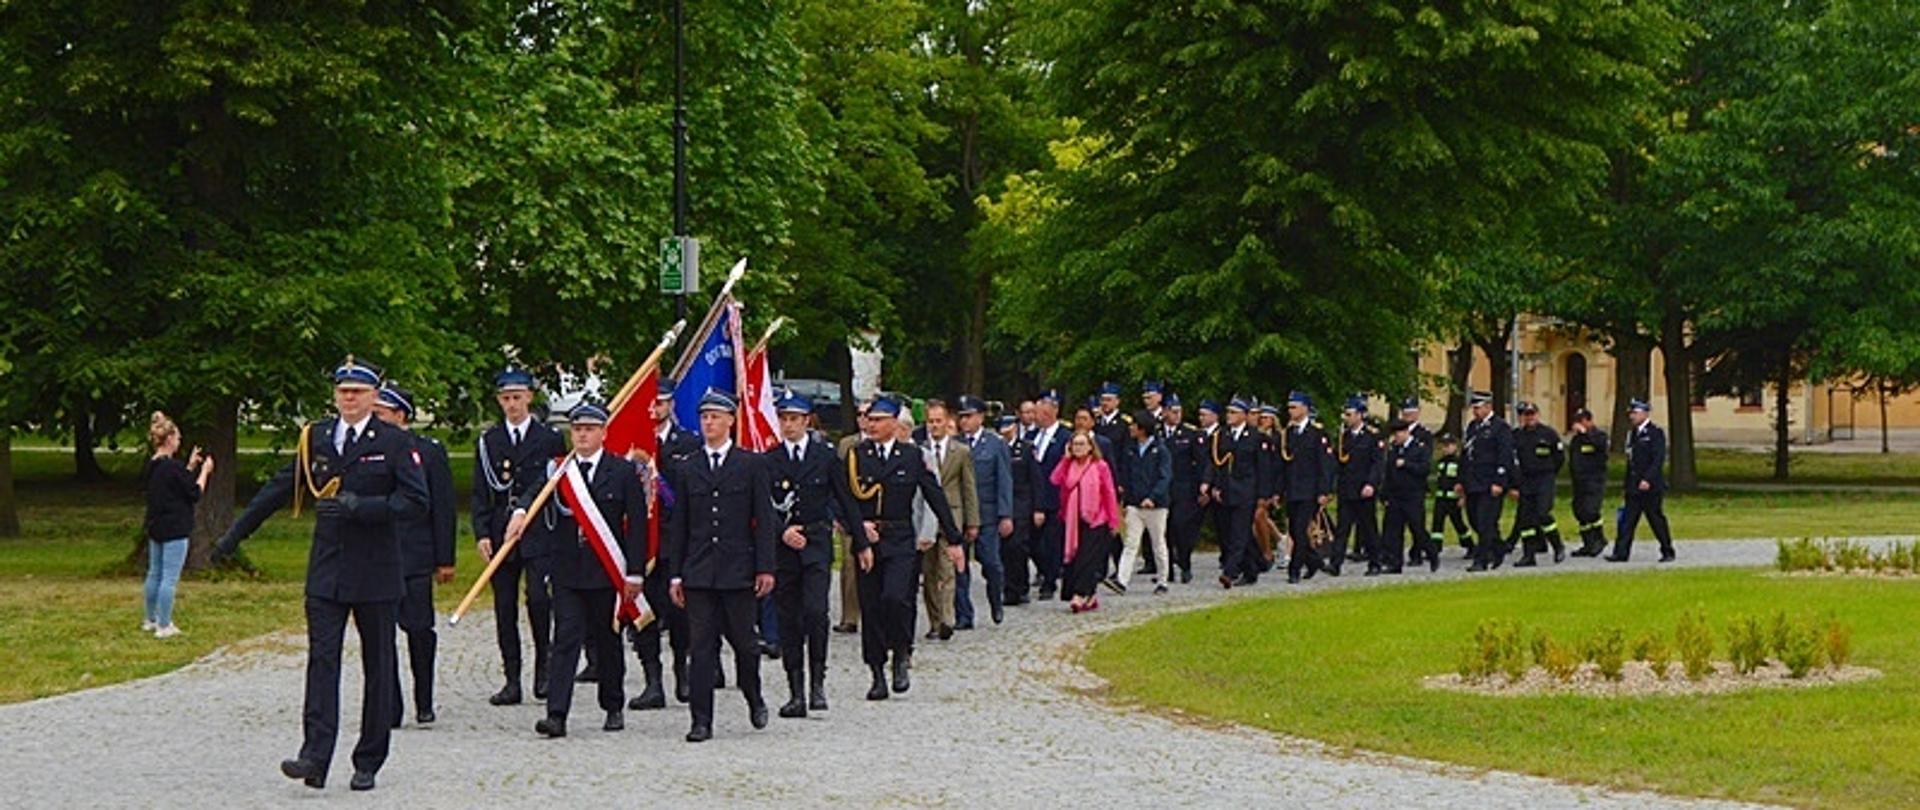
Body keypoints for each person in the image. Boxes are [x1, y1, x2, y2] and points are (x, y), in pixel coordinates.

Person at [212, 357, 428, 792]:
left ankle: (369, 758)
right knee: (322, 661)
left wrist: (362, 507)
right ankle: (314, 756)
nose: (349, 398)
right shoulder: (318, 437)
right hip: (328, 569)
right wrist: (233, 537)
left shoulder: (393, 441)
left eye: (358, 392)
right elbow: (280, 487)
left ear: (373, 396)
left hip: (376, 569)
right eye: (343, 391)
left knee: (378, 665)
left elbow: (415, 501)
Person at [511, 401, 646, 738]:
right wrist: (520, 512)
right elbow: (533, 494)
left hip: (606, 571)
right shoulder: (559, 470)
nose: (582, 435)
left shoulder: (622, 471)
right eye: (577, 430)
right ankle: (556, 714)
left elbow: (637, 526)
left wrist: (635, 573)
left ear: (603, 433)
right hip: (568, 570)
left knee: (607, 640)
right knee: (565, 640)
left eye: (589, 429)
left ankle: (612, 704)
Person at [666, 390, 777, 742]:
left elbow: (764, 520)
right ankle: (701, 720)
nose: (709, 423)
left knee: (745, 644)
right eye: (704, 417)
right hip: (699, 570)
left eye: (715, 416)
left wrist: (765, 567)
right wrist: (676, 574)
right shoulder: (688, 467)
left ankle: (753, 695)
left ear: (731, 420)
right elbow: (680, 525)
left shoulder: (751, 464)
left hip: (737, 569)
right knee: (701, 648)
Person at [839, 397, 960, 700]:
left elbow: (934, 495)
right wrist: (858, 531)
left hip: (900, 537)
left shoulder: (911, 456)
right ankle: (877, 671)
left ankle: (901, 653)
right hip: (868, 540)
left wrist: (954, 539)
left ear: (894, 423)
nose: (872, 425)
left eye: (879, 420)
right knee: (871, 605)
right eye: (870, 419)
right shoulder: (857, 455)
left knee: (896, 598)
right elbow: (843, 499)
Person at [472, 368, 565, 705]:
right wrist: (482, 532)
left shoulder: (549, 438)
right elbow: (481, 491)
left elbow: (552, 481)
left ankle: (544, 669)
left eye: (517, 397)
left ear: (529, 397)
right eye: (506, 398)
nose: (512, 404)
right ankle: (512, 678)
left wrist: (525, 509)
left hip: (537, 527)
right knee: (504, 605)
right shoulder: (489, 441)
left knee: (539, 599)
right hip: (501, 529)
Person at [767, 392, 861, 718]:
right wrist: (781, 531)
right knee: (788, 618)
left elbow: (845, 499)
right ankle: (795, 689)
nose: (788, 425)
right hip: (785, 548)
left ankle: (817, 681)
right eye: (784, 419)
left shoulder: (825, 456)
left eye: (794, 419)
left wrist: (861, 542)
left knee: (815, 611)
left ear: (807, 421)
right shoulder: (770, 459)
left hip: (816, 542)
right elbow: (762, 506)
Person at [369, 385, 455, 727]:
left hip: (415, 554)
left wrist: (445, 558)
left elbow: (443, 507)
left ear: (400, 415)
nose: (374, 419)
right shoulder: (367, 449)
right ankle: (390, 705)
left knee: (419, 630)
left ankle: (424, 699)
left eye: (380, 413)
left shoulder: (428, 451)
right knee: (381, 636)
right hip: (378, 555)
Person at [628, 378, 702, 708]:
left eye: (660, 403)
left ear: (671, 404)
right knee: (644, 611)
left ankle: (682, 671)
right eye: (651, 403)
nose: (655, 409)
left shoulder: (688, 443)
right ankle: (652, 681)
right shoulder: (634, 443)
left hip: (675, 538)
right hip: (642, 540)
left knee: (679, 612)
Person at [141, 411, 211, 639]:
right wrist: (204, 472)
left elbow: (177, 484)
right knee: (169, 578)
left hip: (156, 525)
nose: (179, 442)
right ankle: (164, 625)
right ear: (170, 439)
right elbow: (194, 492)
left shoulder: (154, 465)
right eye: (178, 438)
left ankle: (150, 619)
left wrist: (189, 466)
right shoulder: (172, 467)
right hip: (175, 527)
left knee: (154, 573)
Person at [919, 400, 979, 641]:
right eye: (930, 421)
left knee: (947, 570)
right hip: (927, 518)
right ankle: (934, 621)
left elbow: (968, 488)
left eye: (938, 421)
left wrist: (972, 521)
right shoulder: (919, 451)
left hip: (952, 517)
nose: (934, 425)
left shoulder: (960, 452)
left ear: (947, 422)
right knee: (929, 572)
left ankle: (947, 618)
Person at [954, 396, 1013, 626]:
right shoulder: (955, 444)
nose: (964, 421)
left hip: (987, 513)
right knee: (959, 567)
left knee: (991, 563)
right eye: (961, 417)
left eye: (968, 416)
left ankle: (996, 600)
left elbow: (1004, 480)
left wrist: (1005, 514)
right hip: (960, 514)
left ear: (980, 417)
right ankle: (963, 614)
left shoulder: (995, 444)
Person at [1052, 430, 1121, 613]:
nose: (1078, 448)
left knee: (1088, 558)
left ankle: (1080, 594)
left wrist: (1113, 520)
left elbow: (1109, 493)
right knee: (1075, 558)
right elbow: (1055, 479)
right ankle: (1089, 595)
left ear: (1090, 447)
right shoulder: (1069, 465)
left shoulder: (1100, 466)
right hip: (1072, 519)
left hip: (1096, 518)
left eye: (1082, 444)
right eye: (1075, 444)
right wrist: (1065, 459)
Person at [1203, 397, 1267, 588]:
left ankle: (1229, 572)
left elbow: (1263, 468)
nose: (1229, 416)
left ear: (1245, 415)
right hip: (1226, 491)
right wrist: (1213, 485)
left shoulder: (1255, 437)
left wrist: (1263, 495)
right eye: (1228, 412)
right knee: (1231, 533)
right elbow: (1216, 463)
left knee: (1239, 533)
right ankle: (1253, 568)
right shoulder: (1221, 436)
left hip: (1247, 491)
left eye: (1234, 412)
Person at [1607, 400, 1676, 563]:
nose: (1632, 416)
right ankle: (1621, 552)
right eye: (1631, 413)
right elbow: (1631, 461)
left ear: (1645, 414)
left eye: (1635, 413)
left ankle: (1667, 550)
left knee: (1655, 519)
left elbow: (1657, 460)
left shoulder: (1655, 433)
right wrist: (1627, 484)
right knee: (1627, 520)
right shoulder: (1633, 434)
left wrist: (1647, 479)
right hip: (1634, 485)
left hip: (1650, 486)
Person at [1279, 392, 1336, 584]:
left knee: (1300, 528)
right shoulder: (1288, 433)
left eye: (1294, 407)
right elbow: (1283, 464)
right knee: (1295, 531)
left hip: (1309, 490)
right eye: (1289, 407)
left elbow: (1325, 465)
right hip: (1292, 489)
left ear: (1305, 409)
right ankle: (1314, 561)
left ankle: (1294, 570)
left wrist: (1324, 490)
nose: (1291, 411)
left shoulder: (1317, 434)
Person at [1114, 411, 1172, 594]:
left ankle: (1163, 580)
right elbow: (1127, 473)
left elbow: (1165, 477)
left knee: (1158, 543)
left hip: (1156, 506)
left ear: (1143, 428)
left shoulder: (1160, 450)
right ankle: (1122, 580)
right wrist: (1125, 495)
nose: (1131, 428)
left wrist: (1153, 497)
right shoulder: (1131, 449)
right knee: (1131, 543)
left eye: (1134, 425)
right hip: (1135, 503)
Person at [1459, 391, 1515, 573]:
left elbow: (1505, 456)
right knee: (1474, 520)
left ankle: (1481, 560)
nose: (1475, 411)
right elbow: (1466, 455)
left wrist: (1500, 481)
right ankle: (1499, 547)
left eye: (1478, 408)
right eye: (1474, 408)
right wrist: (1461, 480)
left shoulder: (1500, 427)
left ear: (1488, 407)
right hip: (1473, 482)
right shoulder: (1472, 427)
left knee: (1485, 522)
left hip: (1490, 482)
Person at [1509, 402, 1566, 567]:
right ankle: (1529, 555)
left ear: (1537, 415)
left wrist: (1550, 472)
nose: (1529, 418)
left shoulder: (1548, 434)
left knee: (1543, 513)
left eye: (1532, 414)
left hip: (1544, 479)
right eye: (1525, 415)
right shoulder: (1516, 436)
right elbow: (1512, 461)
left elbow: (1559, 457)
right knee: (1526, 519)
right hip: (1525, 480)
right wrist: (1513, 485)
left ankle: (1557, 545)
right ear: (1521, 417)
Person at [1333, 397, 1386, 575]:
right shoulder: (1344, 436)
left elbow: (1377, 463)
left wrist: (1371, 484)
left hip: (1364, 489)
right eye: (1345, 414)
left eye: (1349, 414)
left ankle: (1375, 562)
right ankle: (1335, 563)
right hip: (1346, 488)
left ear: (1360, 415)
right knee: (1342, 528)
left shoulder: (1372, 436)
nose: (1346, 418)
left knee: (1368, 528)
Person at [832, 400, 872, 634]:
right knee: (849, 567)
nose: (863, 419)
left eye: (868, 414)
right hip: (850, 513)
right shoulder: (847, 444)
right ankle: (849, 616)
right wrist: (839, 515)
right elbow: (838, 482)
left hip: (877, 514)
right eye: (860, 414)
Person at [1026, 392, 1069, 601]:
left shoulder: (1065, 436)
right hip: (1033, 497)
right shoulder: (1031, 436)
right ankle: (1044, 570)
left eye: (1041, 413)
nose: (1036, 417)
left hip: (1055, 497)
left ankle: (1050, 582)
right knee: (1032, 542)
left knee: (1052, 542)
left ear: (1053, 412)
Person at [1380, 418, 1434, 573]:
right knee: (1393, 531)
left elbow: (1424, 469)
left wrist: (1407, 464)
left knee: (1417, 528)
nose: (1395, 438)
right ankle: (1395, 563)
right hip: (1396, 495)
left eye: (1397, 434)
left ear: (1405, 432)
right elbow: (1388, 473)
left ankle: (1431, 553)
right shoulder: (1394, 449)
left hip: (1413, 495)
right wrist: (1384, 494)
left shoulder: (1419, 448)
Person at [1160, 397, 1203, 584]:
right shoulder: (1156, 432)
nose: (1177, 415)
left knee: (1181, 527)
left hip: (1184, 487)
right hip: (1163, 488)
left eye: (1179, 411)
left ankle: (1185, 563)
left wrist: (1203, 485)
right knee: (1165, 530)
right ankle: (1167, 569)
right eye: (1172, 411)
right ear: (1164, 412)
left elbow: (1200, 462)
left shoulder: (1190, 434)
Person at [1000, 412, 1036, 607]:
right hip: (1002, 503)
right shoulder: (997, 448)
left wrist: (1038, 507)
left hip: (1021, 503)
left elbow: (1035, 479)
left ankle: (1020, 587)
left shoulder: (1026, 449)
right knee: (1004, 549)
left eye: (1008, 427)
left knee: (1018, 547)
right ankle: (1008, 588)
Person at [1567, 408, 1612, 557]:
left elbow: (1601, 448)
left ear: (1589, 421)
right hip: (1579, 481)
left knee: (1590, 510)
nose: (1578, 424)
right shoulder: (1576, 440)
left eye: (1581, 421)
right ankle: (1588, 543)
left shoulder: (1599, 436)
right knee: (1579, 511)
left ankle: (1600, 538)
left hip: (1594, 480)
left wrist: (1585, 433)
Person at [1429, 434, 1474, 557]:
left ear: (1455, 446)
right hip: (1441, 498)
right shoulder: (1440, 462)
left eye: (1448, 445)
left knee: (1458, 524)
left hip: (1453, 499)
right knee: (1437, 523)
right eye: (1443, 446)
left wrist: (1463, 497)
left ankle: (1470, 546)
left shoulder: (1459, 462)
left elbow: (1463, 481)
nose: (1445, 448)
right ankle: (1435, 549)